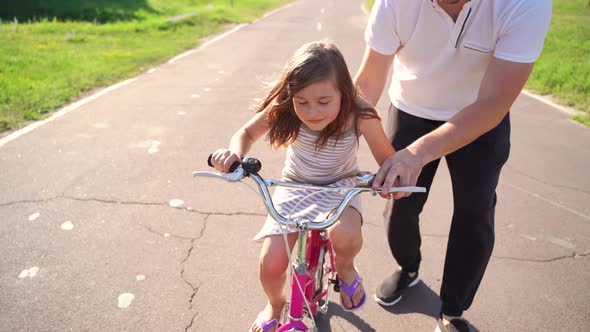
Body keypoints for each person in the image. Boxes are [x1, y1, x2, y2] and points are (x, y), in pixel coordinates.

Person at [354, 0, 552, 331]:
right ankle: (409, 268)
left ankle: (452, 309)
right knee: (399, 204)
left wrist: (417, 153)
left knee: (474, 213)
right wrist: (336, 136)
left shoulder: (525, 4)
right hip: (411, 108)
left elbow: (494, 103)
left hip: (481, 117)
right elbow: (368, 82)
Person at [210, 40, 395, 332]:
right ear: (291, 95)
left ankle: (345, 268)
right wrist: (235, 154)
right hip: (295, 186)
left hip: (340, 187)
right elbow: (246, 132)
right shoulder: (284, 107)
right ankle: (274, 304)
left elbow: (389, 161)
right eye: (302, 102)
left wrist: (388, 180)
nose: (312, 112)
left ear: (343, 92)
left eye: (324, 102)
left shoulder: (361, 113)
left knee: (345, 235)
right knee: (271, 262)